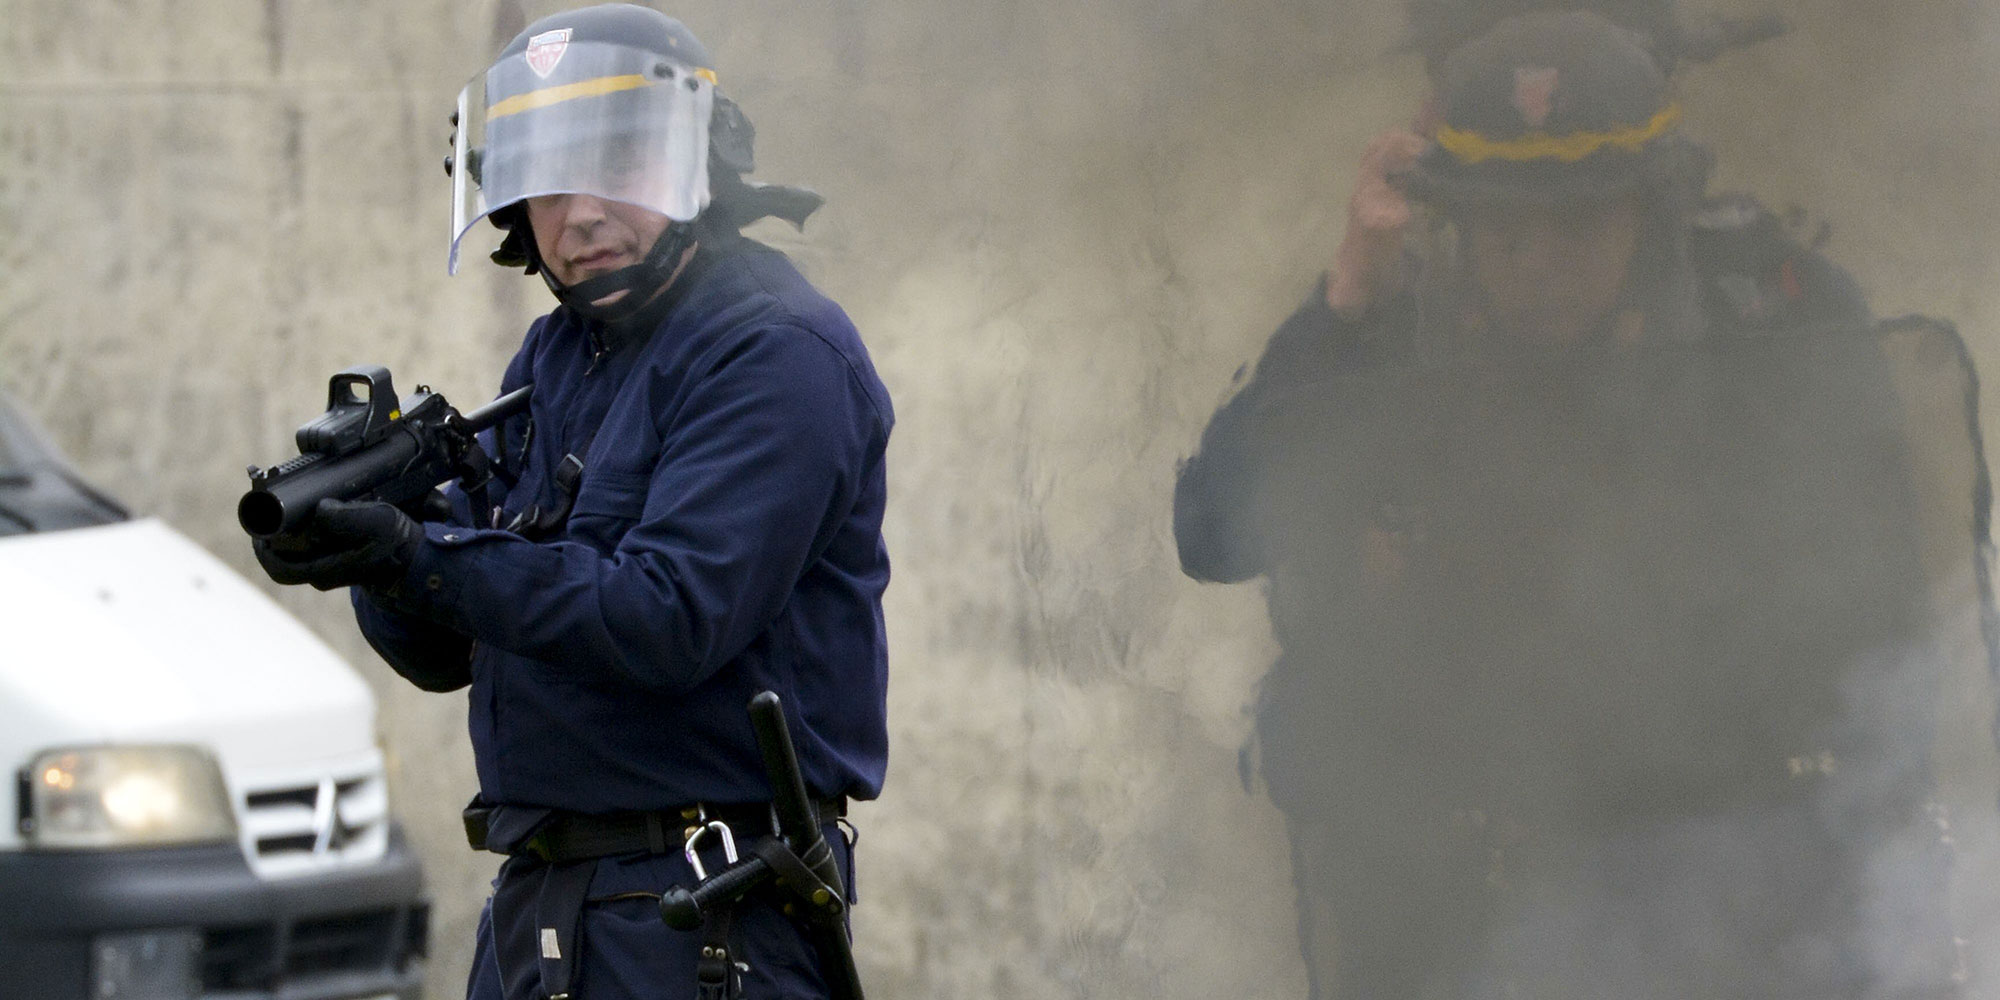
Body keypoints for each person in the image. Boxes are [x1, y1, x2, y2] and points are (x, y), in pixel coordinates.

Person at [1176, 11, 1961, 999]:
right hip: (1463, 885)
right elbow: (1211, 533)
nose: (1531, 260)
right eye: (1499, 227)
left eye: (1575, 222)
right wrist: (1345, 294)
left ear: (1650, 210)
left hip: (1729, 868)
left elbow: (1880, 635)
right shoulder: (1389, 328)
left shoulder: (1766, 318)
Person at [251, 5, 893, 999]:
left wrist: (412, 555)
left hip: (705, 911)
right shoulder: (558, 353)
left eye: (618, 167)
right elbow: (452, 652)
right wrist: (376, 547)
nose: (579, 213)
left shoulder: (774, 351)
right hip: (545, 907)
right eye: (546, 184)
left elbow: (666, 616)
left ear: (698, 169)